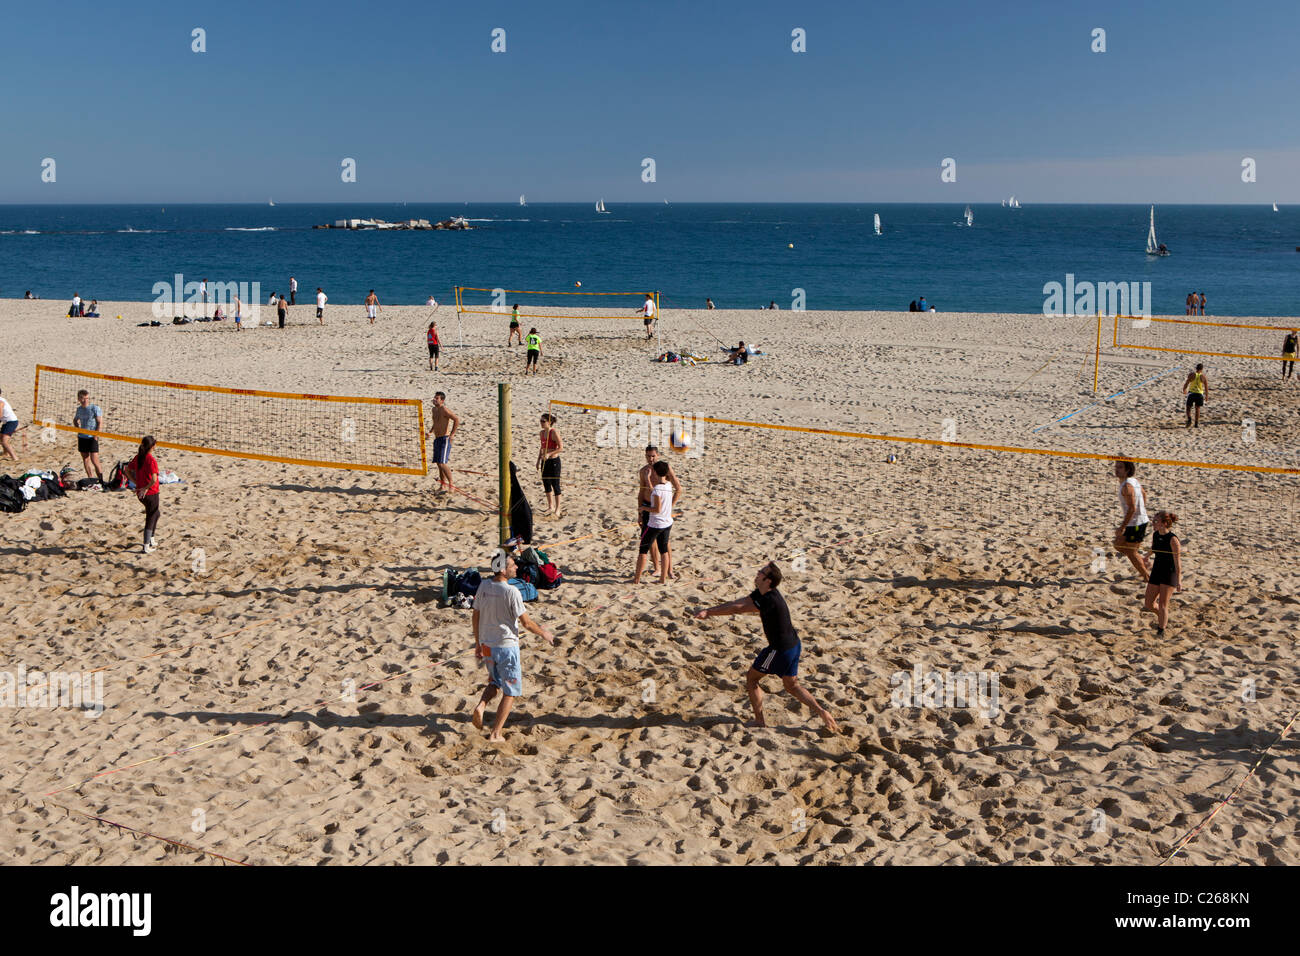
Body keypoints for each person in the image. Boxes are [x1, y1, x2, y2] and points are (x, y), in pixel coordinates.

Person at [694, 562, 839, 733]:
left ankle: (759, 721)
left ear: (768, 580)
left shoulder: (769, 600)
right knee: (792, 686)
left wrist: (709, 613)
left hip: (779, 650)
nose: (757, 572)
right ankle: (822, 712)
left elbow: (738, 609)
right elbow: (739, 601)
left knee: (752, 678)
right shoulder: (764, 592)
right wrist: (709, 610)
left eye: (761, 572)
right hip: (794, 644)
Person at [471, 549, 555, 742]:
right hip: (506, 647)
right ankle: (496, 734)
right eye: (512, 565)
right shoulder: (511, 591)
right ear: (501, 569)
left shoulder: (483, 586)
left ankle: (481, 706)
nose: (516, 567)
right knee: (511, 692)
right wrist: (544, 633)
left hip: (487, 644)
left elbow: (475, 616)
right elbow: (526, 623)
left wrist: (477, 643)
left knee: (494, 681)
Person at [637, 445, 682, 579]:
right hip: (647, 506)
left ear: (658, 455)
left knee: (664, 541)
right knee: (649, 540)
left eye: (653, 456)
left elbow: (678, 489)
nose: (650, 459)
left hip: (661, 510)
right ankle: (657, 568)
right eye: (648, 456)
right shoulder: (643, 471)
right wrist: (639, 512)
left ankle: (669, 570)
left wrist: (670, 507)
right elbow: (641, 492)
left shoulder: (664, 469)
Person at [634, 460, 675, 584]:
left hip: (655, 524)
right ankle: (662, 579)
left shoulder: (658, 489)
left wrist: (643, 508)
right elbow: (656, 492)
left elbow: (656, 509)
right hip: (667, 523)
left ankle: (636, 579)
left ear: (656, 473)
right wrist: (647, 479)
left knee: (643, 550)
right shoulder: (668, 485)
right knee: (664, 550)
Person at [1142, 511, 1181, 636]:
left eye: (1156, 521)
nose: (1153, 523)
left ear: (1164, 524)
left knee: (1163, 604)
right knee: (1148, 603)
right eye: (1153, 520)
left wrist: (1179, 580)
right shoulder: (1155, 534)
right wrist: (1146, 556)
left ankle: (1161, 631)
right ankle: (1163, 617)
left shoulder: (1173, 540)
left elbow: (1177, 562)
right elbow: (1154, 548)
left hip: (1169, 573)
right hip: (1157, 571)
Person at [1112, 459, 1150, 581]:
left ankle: (1146, 576)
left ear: (1127, 470)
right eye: (1116, 467)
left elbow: (1132, 508)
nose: (1116, 470)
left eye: (1120, 467)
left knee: (1131, 551)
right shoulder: (1134, 481)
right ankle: (1143, 564)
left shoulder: (1127, 486)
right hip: (1138, 521)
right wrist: (1142, 508)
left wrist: (1122, 527)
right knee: (1119, 545)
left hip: (1136, 524)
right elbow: (1144, 494)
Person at [131, 435, 161, 553]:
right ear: (152, 446)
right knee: (151, 517)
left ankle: (151, 538)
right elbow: (153, 480)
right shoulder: (151, 460)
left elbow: (127, 470)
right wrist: (145, 488)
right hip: (150, 493)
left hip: (140, 493)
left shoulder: (139, 457)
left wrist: (137, 483)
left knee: (156, 514)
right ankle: (146, 546)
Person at [426, 391, 460, 491]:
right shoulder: (434, 410)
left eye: (437, 398)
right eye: (434, 398)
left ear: (442, 400)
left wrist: (452, 434)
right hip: (437, 439)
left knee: (442, 463)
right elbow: (435, 423)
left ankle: (451, 484)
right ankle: (442, 485)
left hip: (445, 439)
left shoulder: (444, 409)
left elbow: (456, 419)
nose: (434, 400)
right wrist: (430, 432)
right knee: (438, 463)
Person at [73, 389, 104, 481]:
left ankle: (101, 480)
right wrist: (78, 429)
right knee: (85, 459)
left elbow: (99, 423)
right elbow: (75, 420)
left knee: (95, 460)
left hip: (92, 437)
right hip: (82, 437)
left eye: (87, 398)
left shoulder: (95, 408)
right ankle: (90, 478)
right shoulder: (79, 409)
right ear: (79, 399)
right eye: (83, 398)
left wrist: (96, 436)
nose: (86, 400)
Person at [537, 412, 563, 517]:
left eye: (543, 421)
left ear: (550, 422)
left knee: (555, 485)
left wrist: (549, 454)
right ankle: (550, 506)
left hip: (553, 461)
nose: (541, 423)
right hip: (544, 461)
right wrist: (538, 460)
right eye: (540, 421)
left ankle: (558, 509)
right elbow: (541, 447)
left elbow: (561, 448)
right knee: (546, 483)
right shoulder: (541, 433)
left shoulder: (554, 432)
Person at [0, 388, 25, 461]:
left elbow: (0, 416)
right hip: (6, 422)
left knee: (4, 441)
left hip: (11, 422)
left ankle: (15, 458)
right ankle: (5, 454)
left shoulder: (1, 402)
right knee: (1, 438)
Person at [1182, 363, 1208, 427]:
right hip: (1199, 394)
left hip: (1192, 393)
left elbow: (1187, 382)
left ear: (1196, 368)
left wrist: (1184, 389)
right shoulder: (1203, 376)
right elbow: (1206, 386)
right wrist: (1206, 395)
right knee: (1197, 408)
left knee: (1188, 407)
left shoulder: (1192, 375)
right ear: (1202, 369)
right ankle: (1196, 424)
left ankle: (1189, 419)